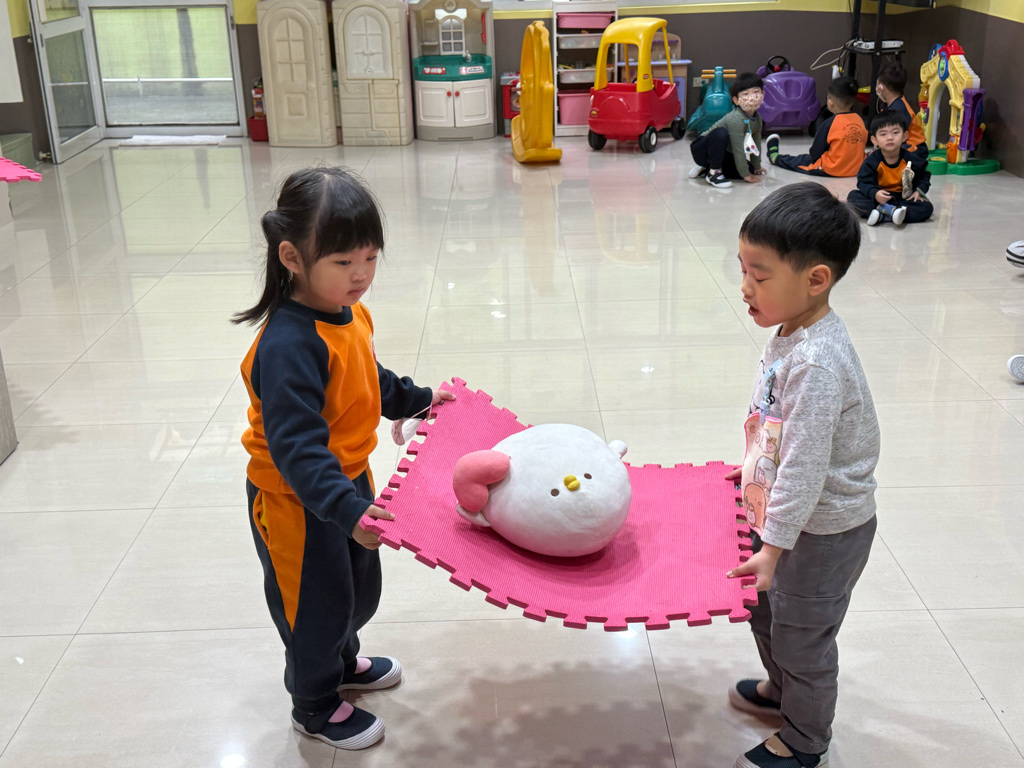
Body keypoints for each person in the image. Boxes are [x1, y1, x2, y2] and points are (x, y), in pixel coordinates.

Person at [233, 167, 453, 750]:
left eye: (370, 258)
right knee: (315, 605)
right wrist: (344, 508)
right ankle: (313, 704)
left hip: (345, 480)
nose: (361, 275)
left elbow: (367, 378)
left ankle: (341, 661)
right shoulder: (288, 345)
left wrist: (420, 399)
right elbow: (297, 447)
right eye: (343, 261)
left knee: (355, 587)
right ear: (292, 257)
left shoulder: (347, 313)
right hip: (296, 495)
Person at [725, 182, 880, 768]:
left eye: (760, 276)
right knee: (766, 611)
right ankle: (782, 692)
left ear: (816, 279)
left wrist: (773, 546)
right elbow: (777, 427)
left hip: (822, 531)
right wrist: (751, 471)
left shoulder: (817, 362)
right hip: (787, 517)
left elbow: (807, 467)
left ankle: (805, 739)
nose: (745, 287)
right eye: (743, 269)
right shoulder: (790, 331)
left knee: (803, 635)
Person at [765, 77, 867, 177]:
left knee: (801, 160)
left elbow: (815, 153)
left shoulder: (829, 124)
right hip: (856, 169)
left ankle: (774, 157)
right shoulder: (859, 120)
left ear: (830, 102)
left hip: (832, 169)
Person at [847, 112, 933, 226]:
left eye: (896, 132)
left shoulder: (911, 159)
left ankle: (884, 214)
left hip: (903, 199)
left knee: (926, 208)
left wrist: (918, 191)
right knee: (853, 197)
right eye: (883, 134)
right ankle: (892, 213)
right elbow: (863, 182)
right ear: (874, 140)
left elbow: (924, 176)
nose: (890, 138)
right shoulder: (871, 161)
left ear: (904, 136)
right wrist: (875, 193)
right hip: (880, 199)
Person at [689, 72, 767, 189]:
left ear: (762, 94)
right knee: (721, 133)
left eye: (756, 92)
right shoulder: (735, 118)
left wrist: (756, 167)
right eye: (745, 94)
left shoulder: (758, 118)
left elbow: (756, 142)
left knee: (749, 168)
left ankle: (707, 167)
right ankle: (713, 173)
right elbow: (738, 149)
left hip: (723, 153)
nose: (751, 97)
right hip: (702, 149)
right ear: (736, 100)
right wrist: (745, 175)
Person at [875, 61, 929, 161]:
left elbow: (896, 135)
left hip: (915, 148)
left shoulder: (899, 108)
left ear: (881, 87)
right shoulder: (890, 105)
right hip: (906, 144)